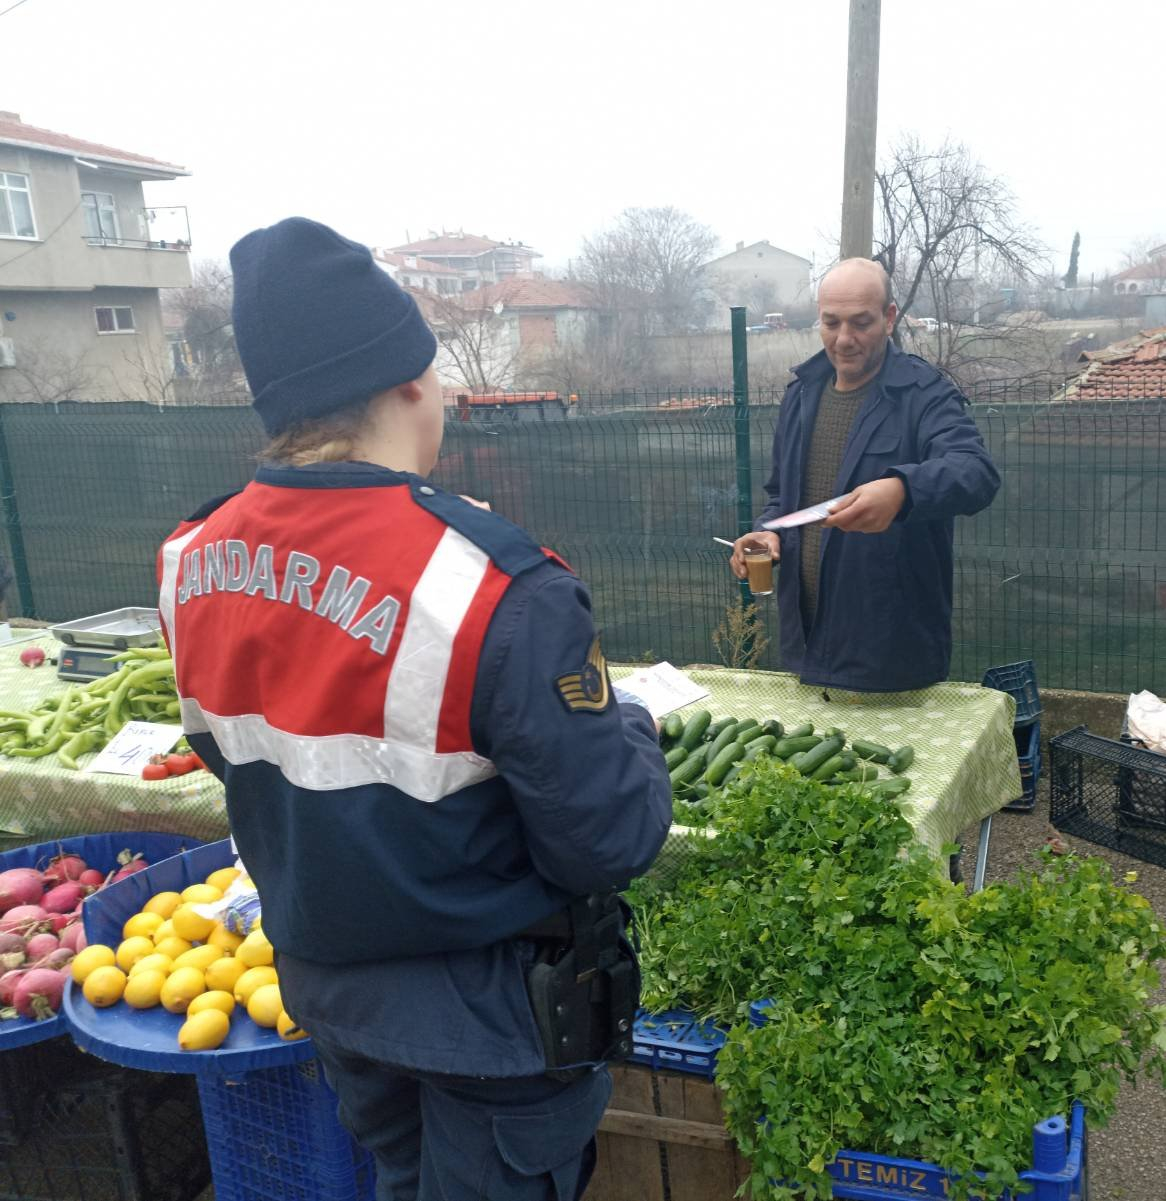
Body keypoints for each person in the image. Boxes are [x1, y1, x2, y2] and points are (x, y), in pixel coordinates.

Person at [157, 217, 672, 1200]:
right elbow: (606, 841)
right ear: (405, 383)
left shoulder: (191, 560)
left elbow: (236, 759)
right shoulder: (491, 582)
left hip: (333, 995)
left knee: (399, 1176)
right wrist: (631, 730)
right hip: (495, 1026)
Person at [728, 258, 1000, 693]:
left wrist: (902, 490)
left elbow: (976, 472)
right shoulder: (800, 395)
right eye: (831, 322)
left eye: (861, 323)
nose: (844, 339)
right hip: (805, 645)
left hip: (891, 656)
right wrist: (769, 533)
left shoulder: (923, 392)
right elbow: (782, 496)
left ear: (889, 319)